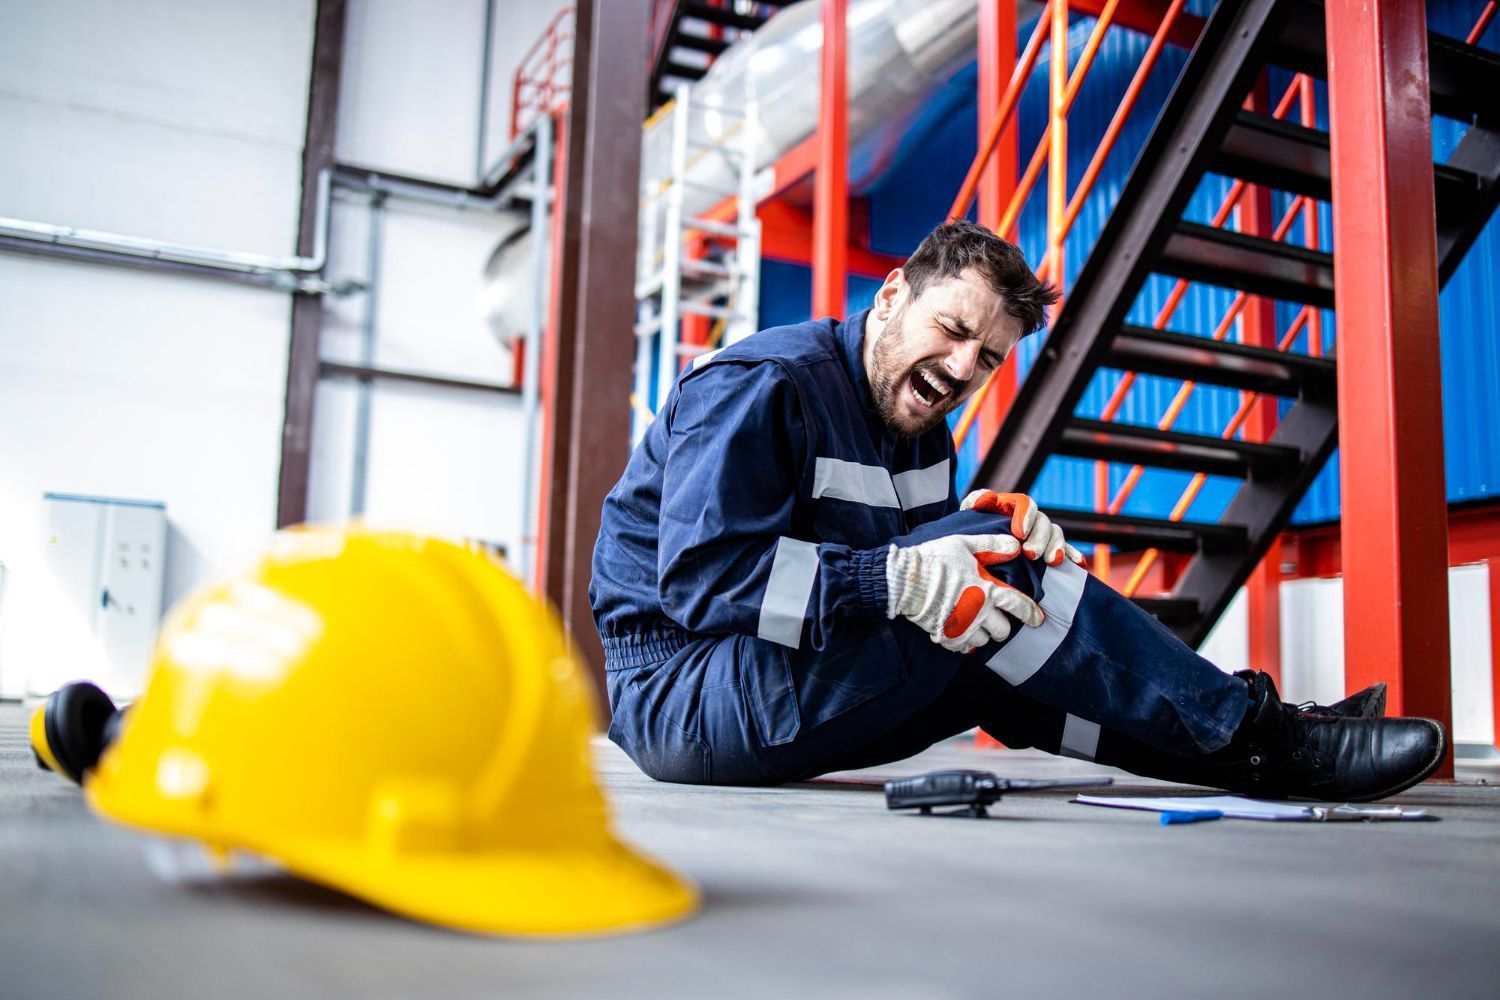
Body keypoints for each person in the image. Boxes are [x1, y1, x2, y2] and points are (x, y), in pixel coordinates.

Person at [590, 220, 1445, 801]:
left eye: (989, 357)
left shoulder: (918, 426)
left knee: (997, 625)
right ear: (890, 296)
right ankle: (1266, 740)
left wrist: (957, 554)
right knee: (1004, 575)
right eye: (952, 329)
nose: (963, 368)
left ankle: (1255, 754)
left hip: (765, 678)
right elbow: (707, 583)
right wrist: (916, 574)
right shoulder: (765, 387)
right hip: (684, 689)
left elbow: (908, 584)